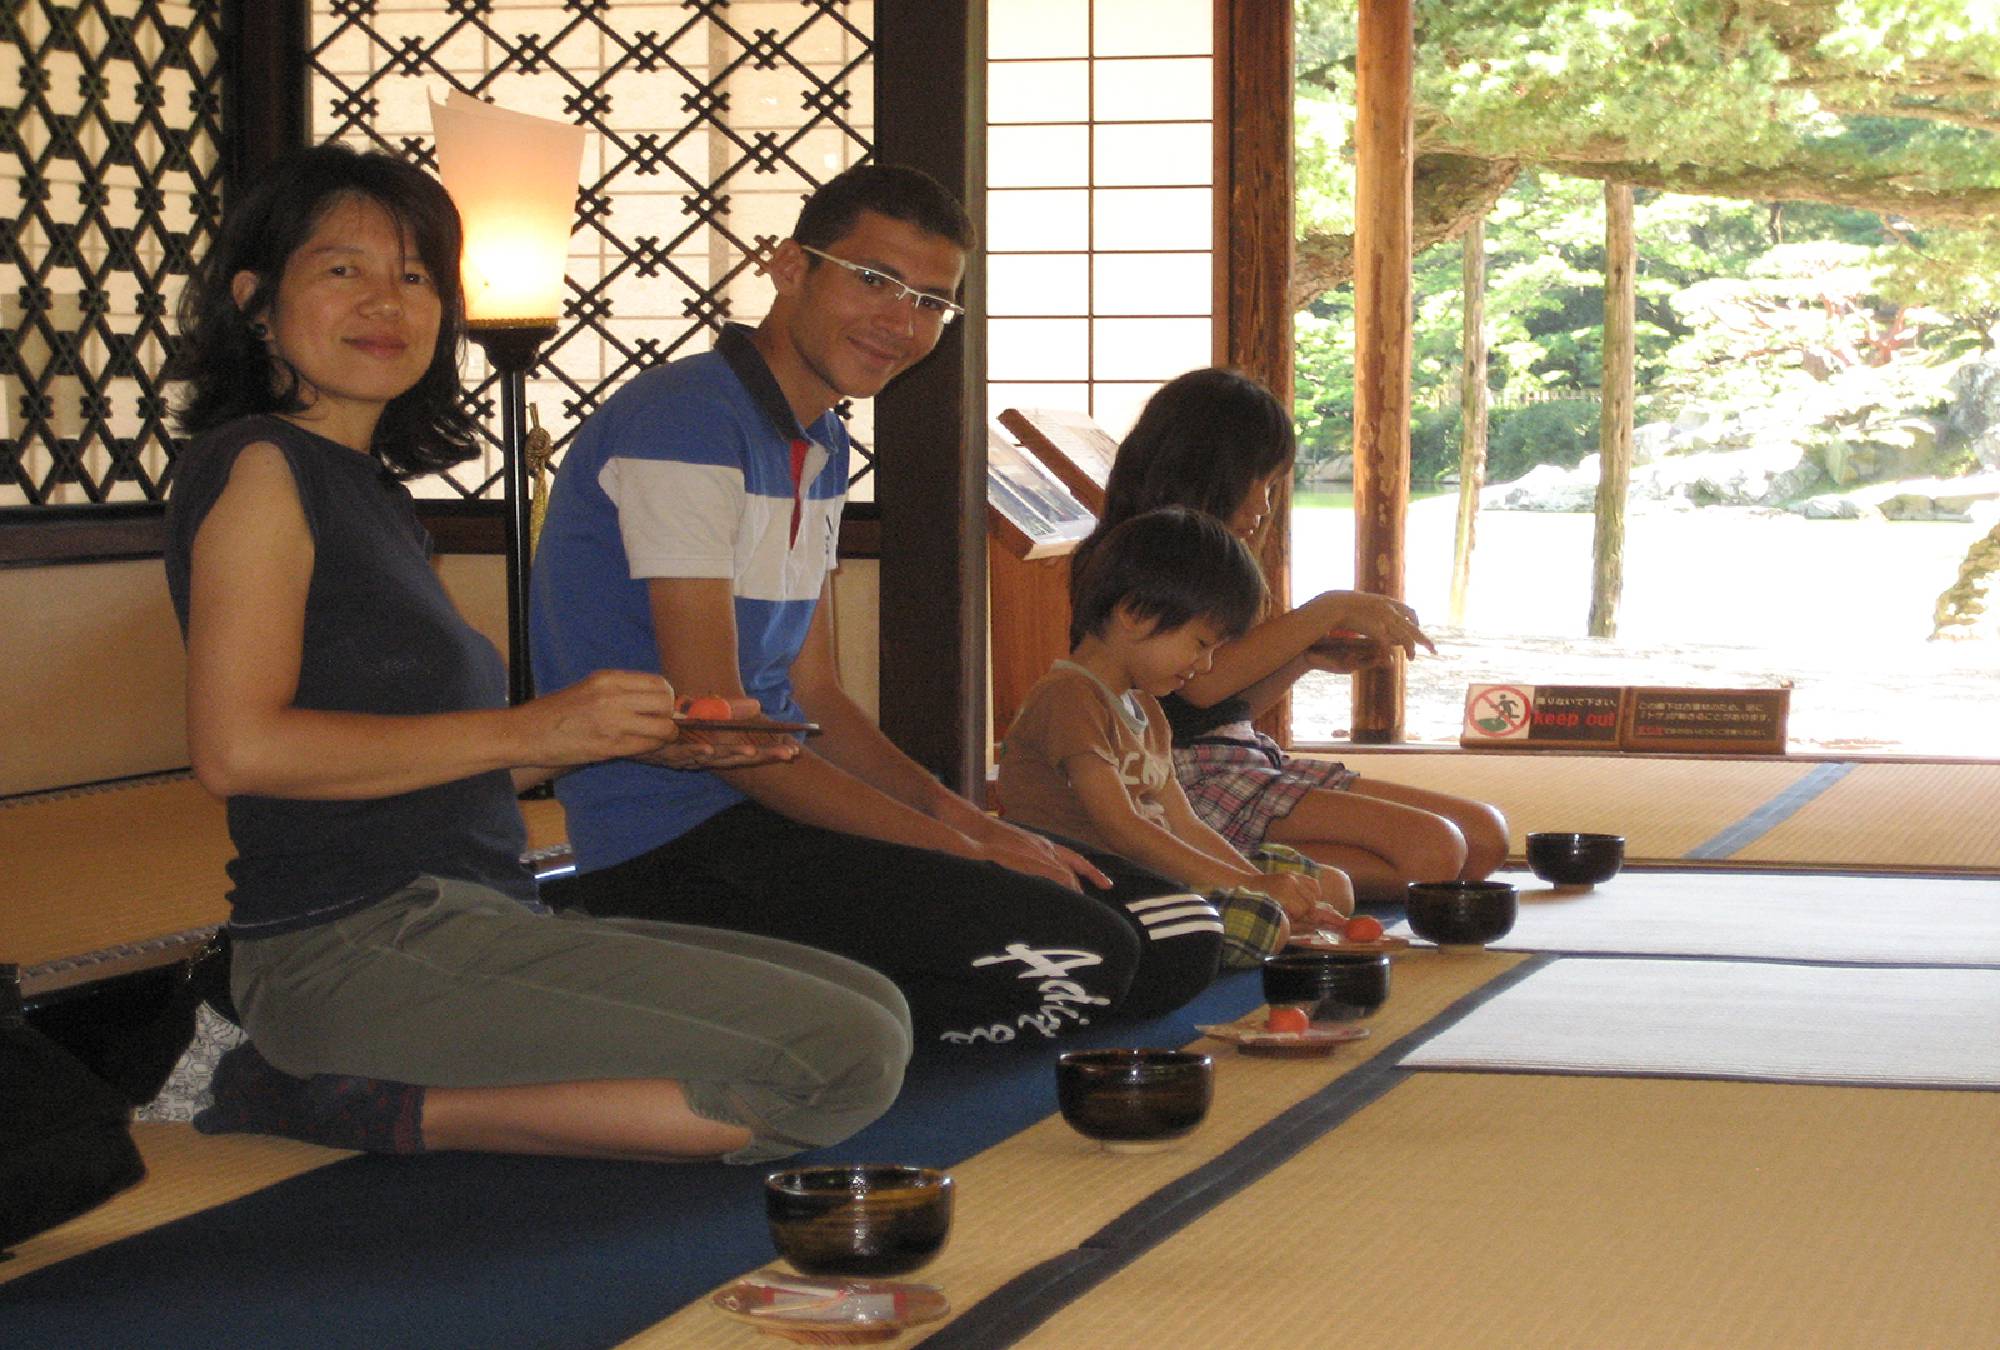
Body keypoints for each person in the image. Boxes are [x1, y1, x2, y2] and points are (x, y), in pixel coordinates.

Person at [162, 142, 912, 1163]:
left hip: (470, 915)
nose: (387, 302)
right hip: (350, 946)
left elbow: (425, 762)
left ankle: (391, 1081)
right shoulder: (259, 468)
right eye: (344, 270)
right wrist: (535, 725)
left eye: (416, 276)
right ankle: (343, 1103)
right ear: (257, 300)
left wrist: (606, 741)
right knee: (846, 1050)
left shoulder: (364, 491)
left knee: (869, 999)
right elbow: (238, 753)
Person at [531, 164, 1221, 1048]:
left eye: (932, 302)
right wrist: (960, 850)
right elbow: (721, 736)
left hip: (781, 814)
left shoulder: (818, 441)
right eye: (874, 280)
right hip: (677, 841)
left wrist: (973, 821)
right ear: (790, 268)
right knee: (1089, 954)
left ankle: (816, 1001)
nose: (901, 321)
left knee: (1178, 938)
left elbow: (816, 698)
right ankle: (703, 999)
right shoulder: (688, 420)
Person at [1069, 368, 1510, 904]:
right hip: (1180, 778)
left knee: (1484, 836)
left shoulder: (1205, 559)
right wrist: (1326, 611)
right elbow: (1200, 688)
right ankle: (1204, 870)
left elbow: (1224, 707)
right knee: (1435, 854)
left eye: (1273, 487)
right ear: (1197, 470)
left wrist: (1303, 658)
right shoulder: (1142, 557)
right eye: (1251, 484)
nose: (1262, 508)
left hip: (1241, 759)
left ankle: (1229, 873)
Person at [998, 508, 1353, 964]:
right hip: (1092, 887)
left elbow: (1184, 825)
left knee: (1328, 888)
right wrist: (1256, 892)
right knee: (1264, 922)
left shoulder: (1147, 708)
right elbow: (1123, 829)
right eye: (1201, 644)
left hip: (1150, 873)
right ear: (1134, 613)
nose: (1204, 665)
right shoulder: (1070, 698)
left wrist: (1258, 884)